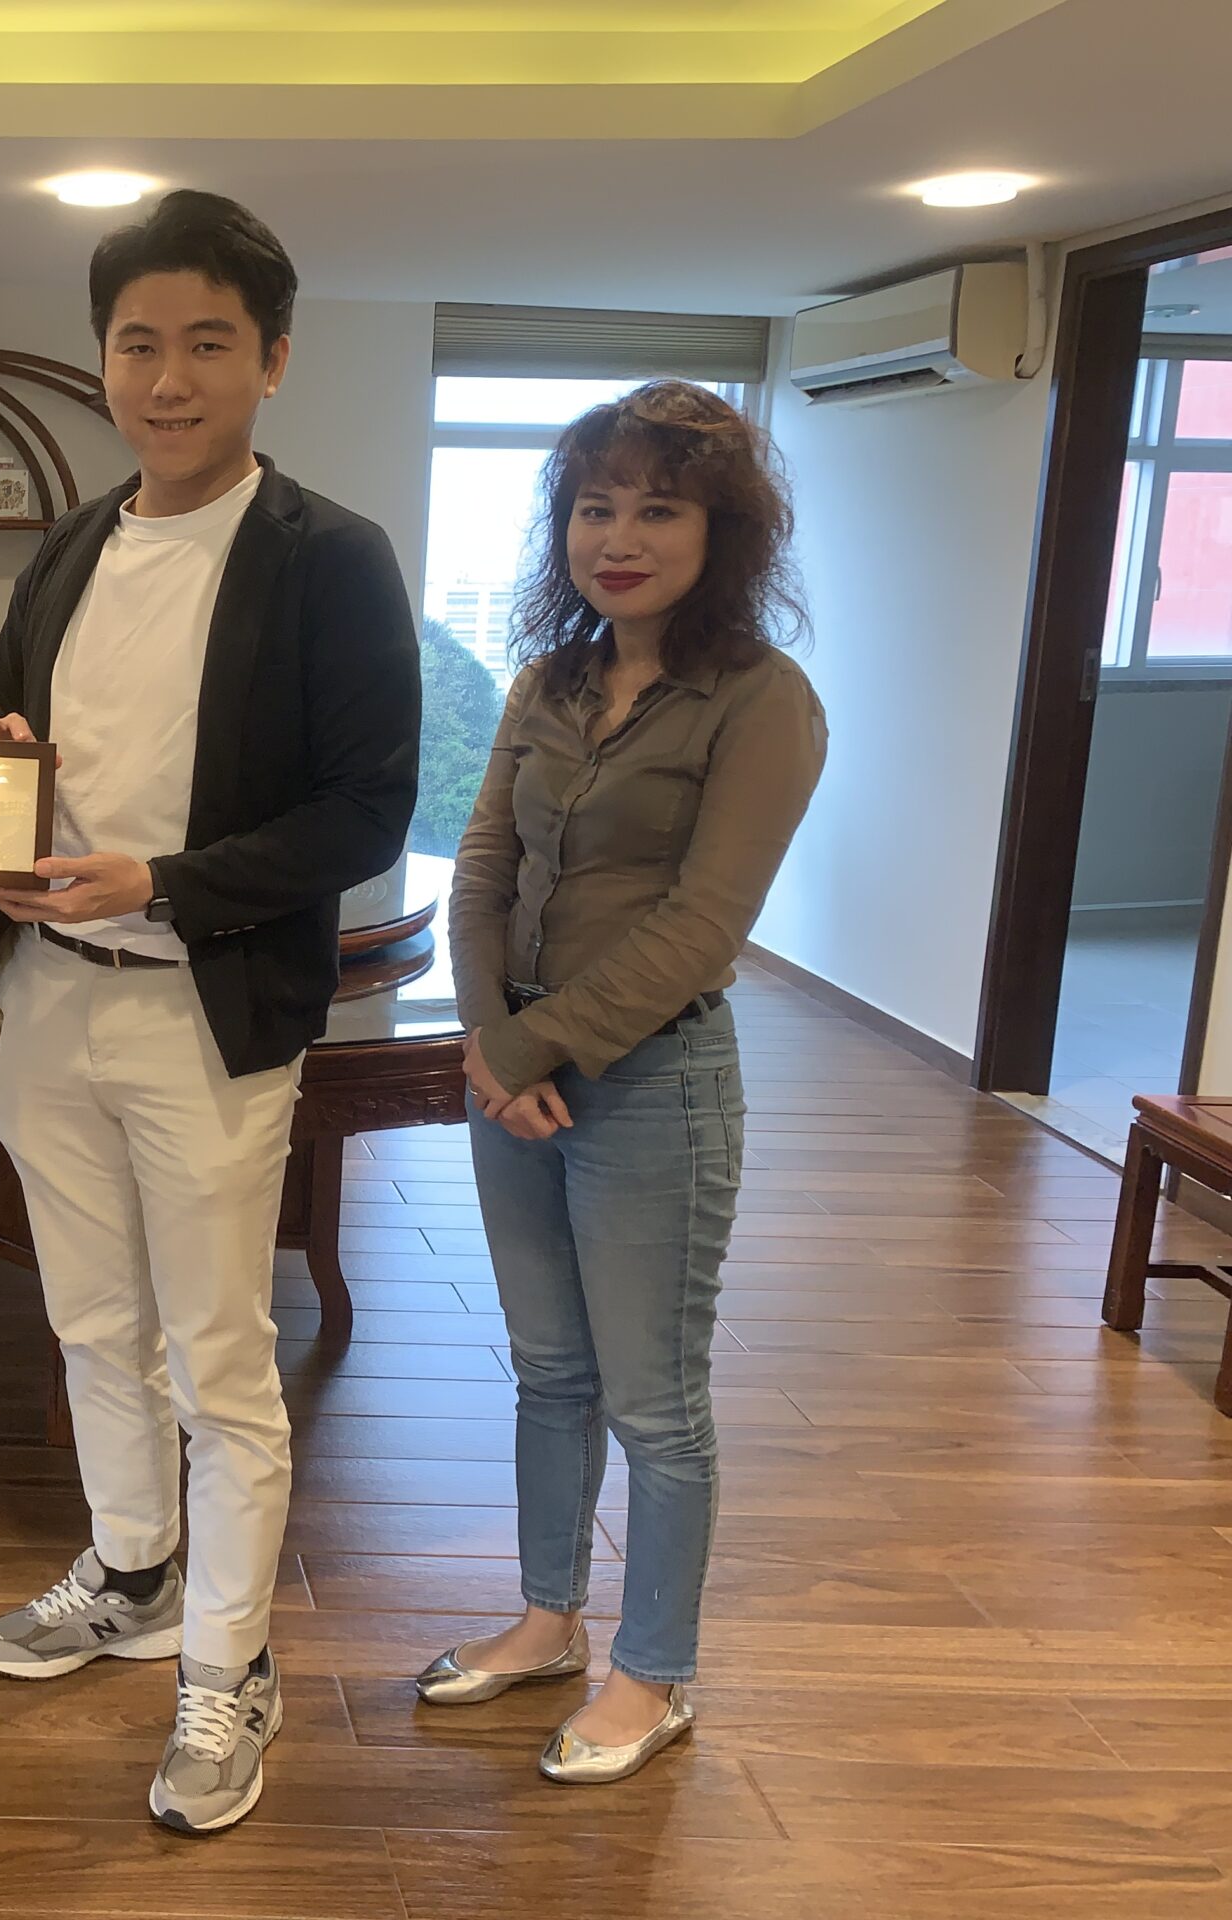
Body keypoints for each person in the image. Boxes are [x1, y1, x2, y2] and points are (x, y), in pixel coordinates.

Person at [0, 191, 421, 1834]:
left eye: (207, 343)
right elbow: (2, 718)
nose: (167, 377)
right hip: (46, 996)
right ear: (102, 360)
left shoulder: (330, 557)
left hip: (201, 1006)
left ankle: (233, 1662)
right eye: (137, 343)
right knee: (91, 1324)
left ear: (272, 361)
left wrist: (161, 879)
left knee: (222, 1358)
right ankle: (135, 1571)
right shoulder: (77, 541)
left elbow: (368, 807)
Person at [423, 379, 826, 1783]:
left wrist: (526, 1050)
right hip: (515, 1076)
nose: (621, 537)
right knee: (548, 1371)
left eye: (660, 509)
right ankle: (548, 1622)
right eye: (597, 507)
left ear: (725, 533)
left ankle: (654, 1674)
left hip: (656, 1086)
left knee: (654, 1404)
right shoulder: (550, 682)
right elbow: (484, 868)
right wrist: (489, 1036)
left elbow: (705, 927)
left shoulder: (765, 702)